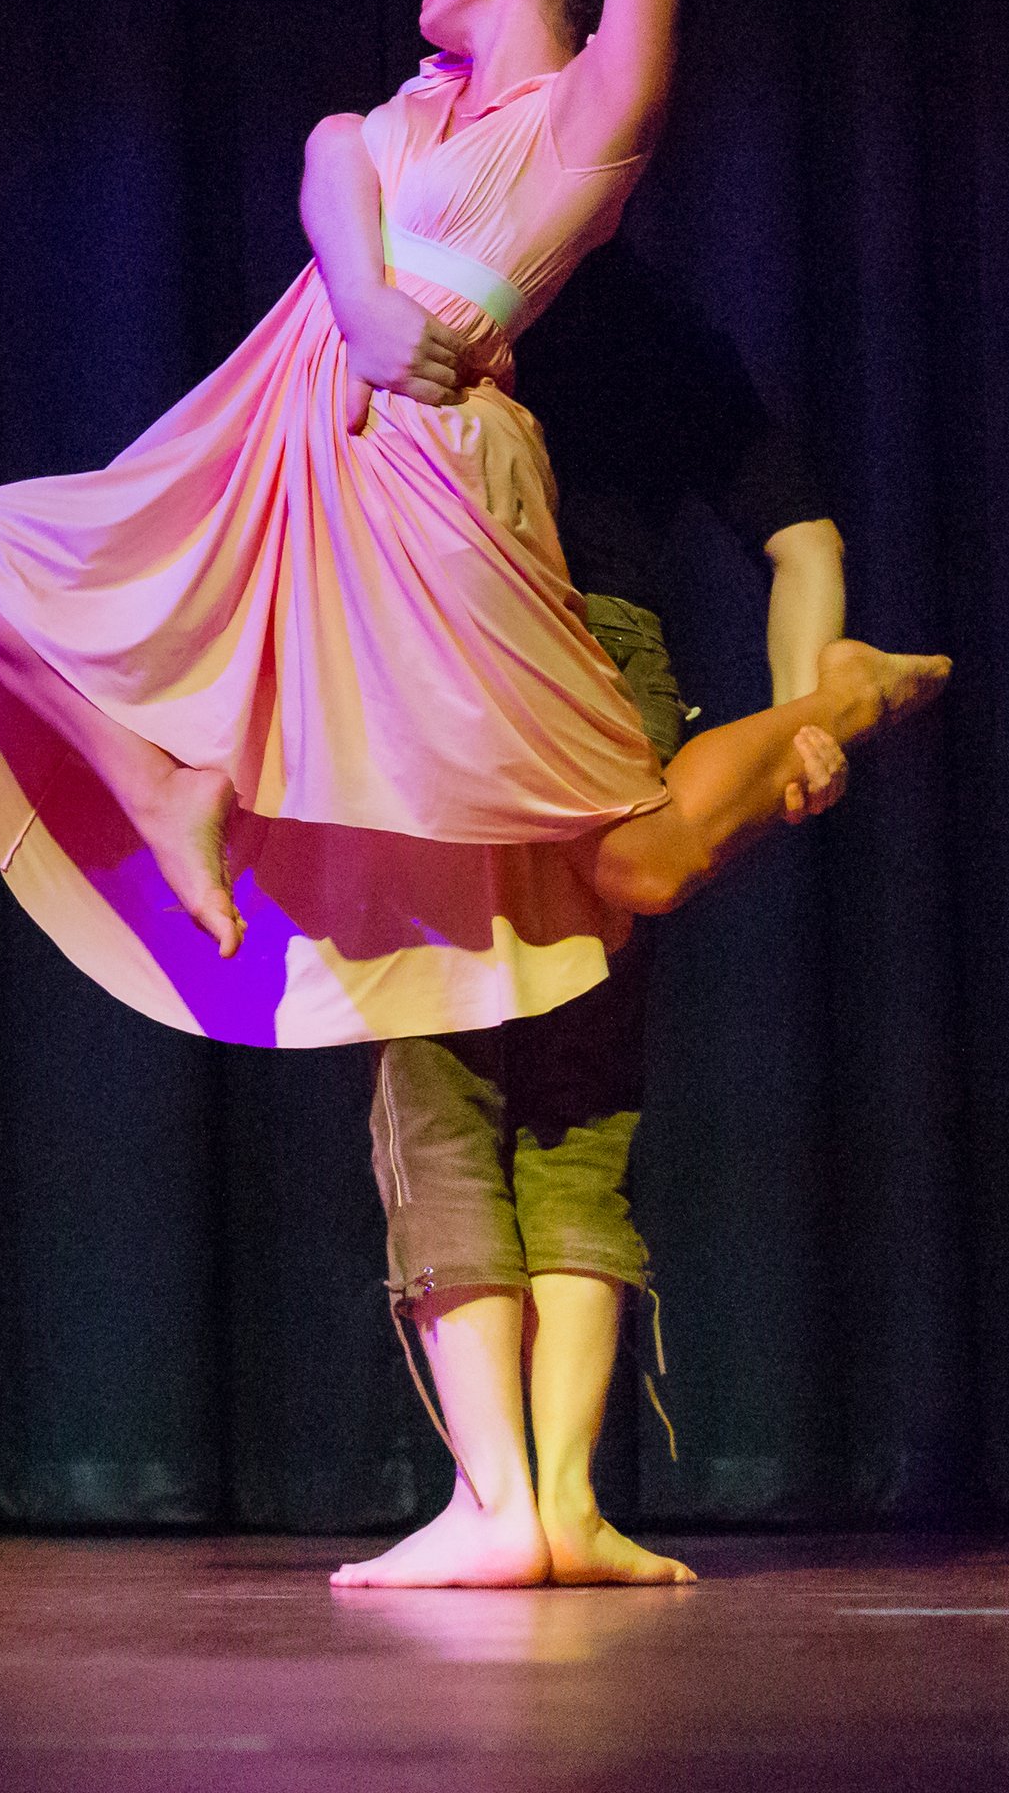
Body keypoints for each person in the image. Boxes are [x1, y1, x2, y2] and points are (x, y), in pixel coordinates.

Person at [0, 0, 944, 1058]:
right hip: (292, 442)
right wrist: (368, 302)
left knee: (637, 865)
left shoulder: (587, 119)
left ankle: (835, 700)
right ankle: (169, 786)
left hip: (437, 475)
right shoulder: (396, 117)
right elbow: (332, 164)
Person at [342, 237, 847, 1589]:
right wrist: (802, 715)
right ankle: (567, 1503)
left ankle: (495, 1505)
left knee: (441, 1083)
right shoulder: (662, 313)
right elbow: (804, 539)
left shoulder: (436, 296)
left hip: (465, 651)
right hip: (620, 678)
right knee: (581, 1095)